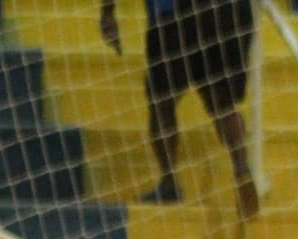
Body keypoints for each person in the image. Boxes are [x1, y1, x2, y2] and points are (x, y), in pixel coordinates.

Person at [103, 0, 259, 220]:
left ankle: (169, 182)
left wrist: (107, 13)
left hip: (174, 14)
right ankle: (241, 166)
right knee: (222, 104)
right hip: (230, 13)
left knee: (161, 103)